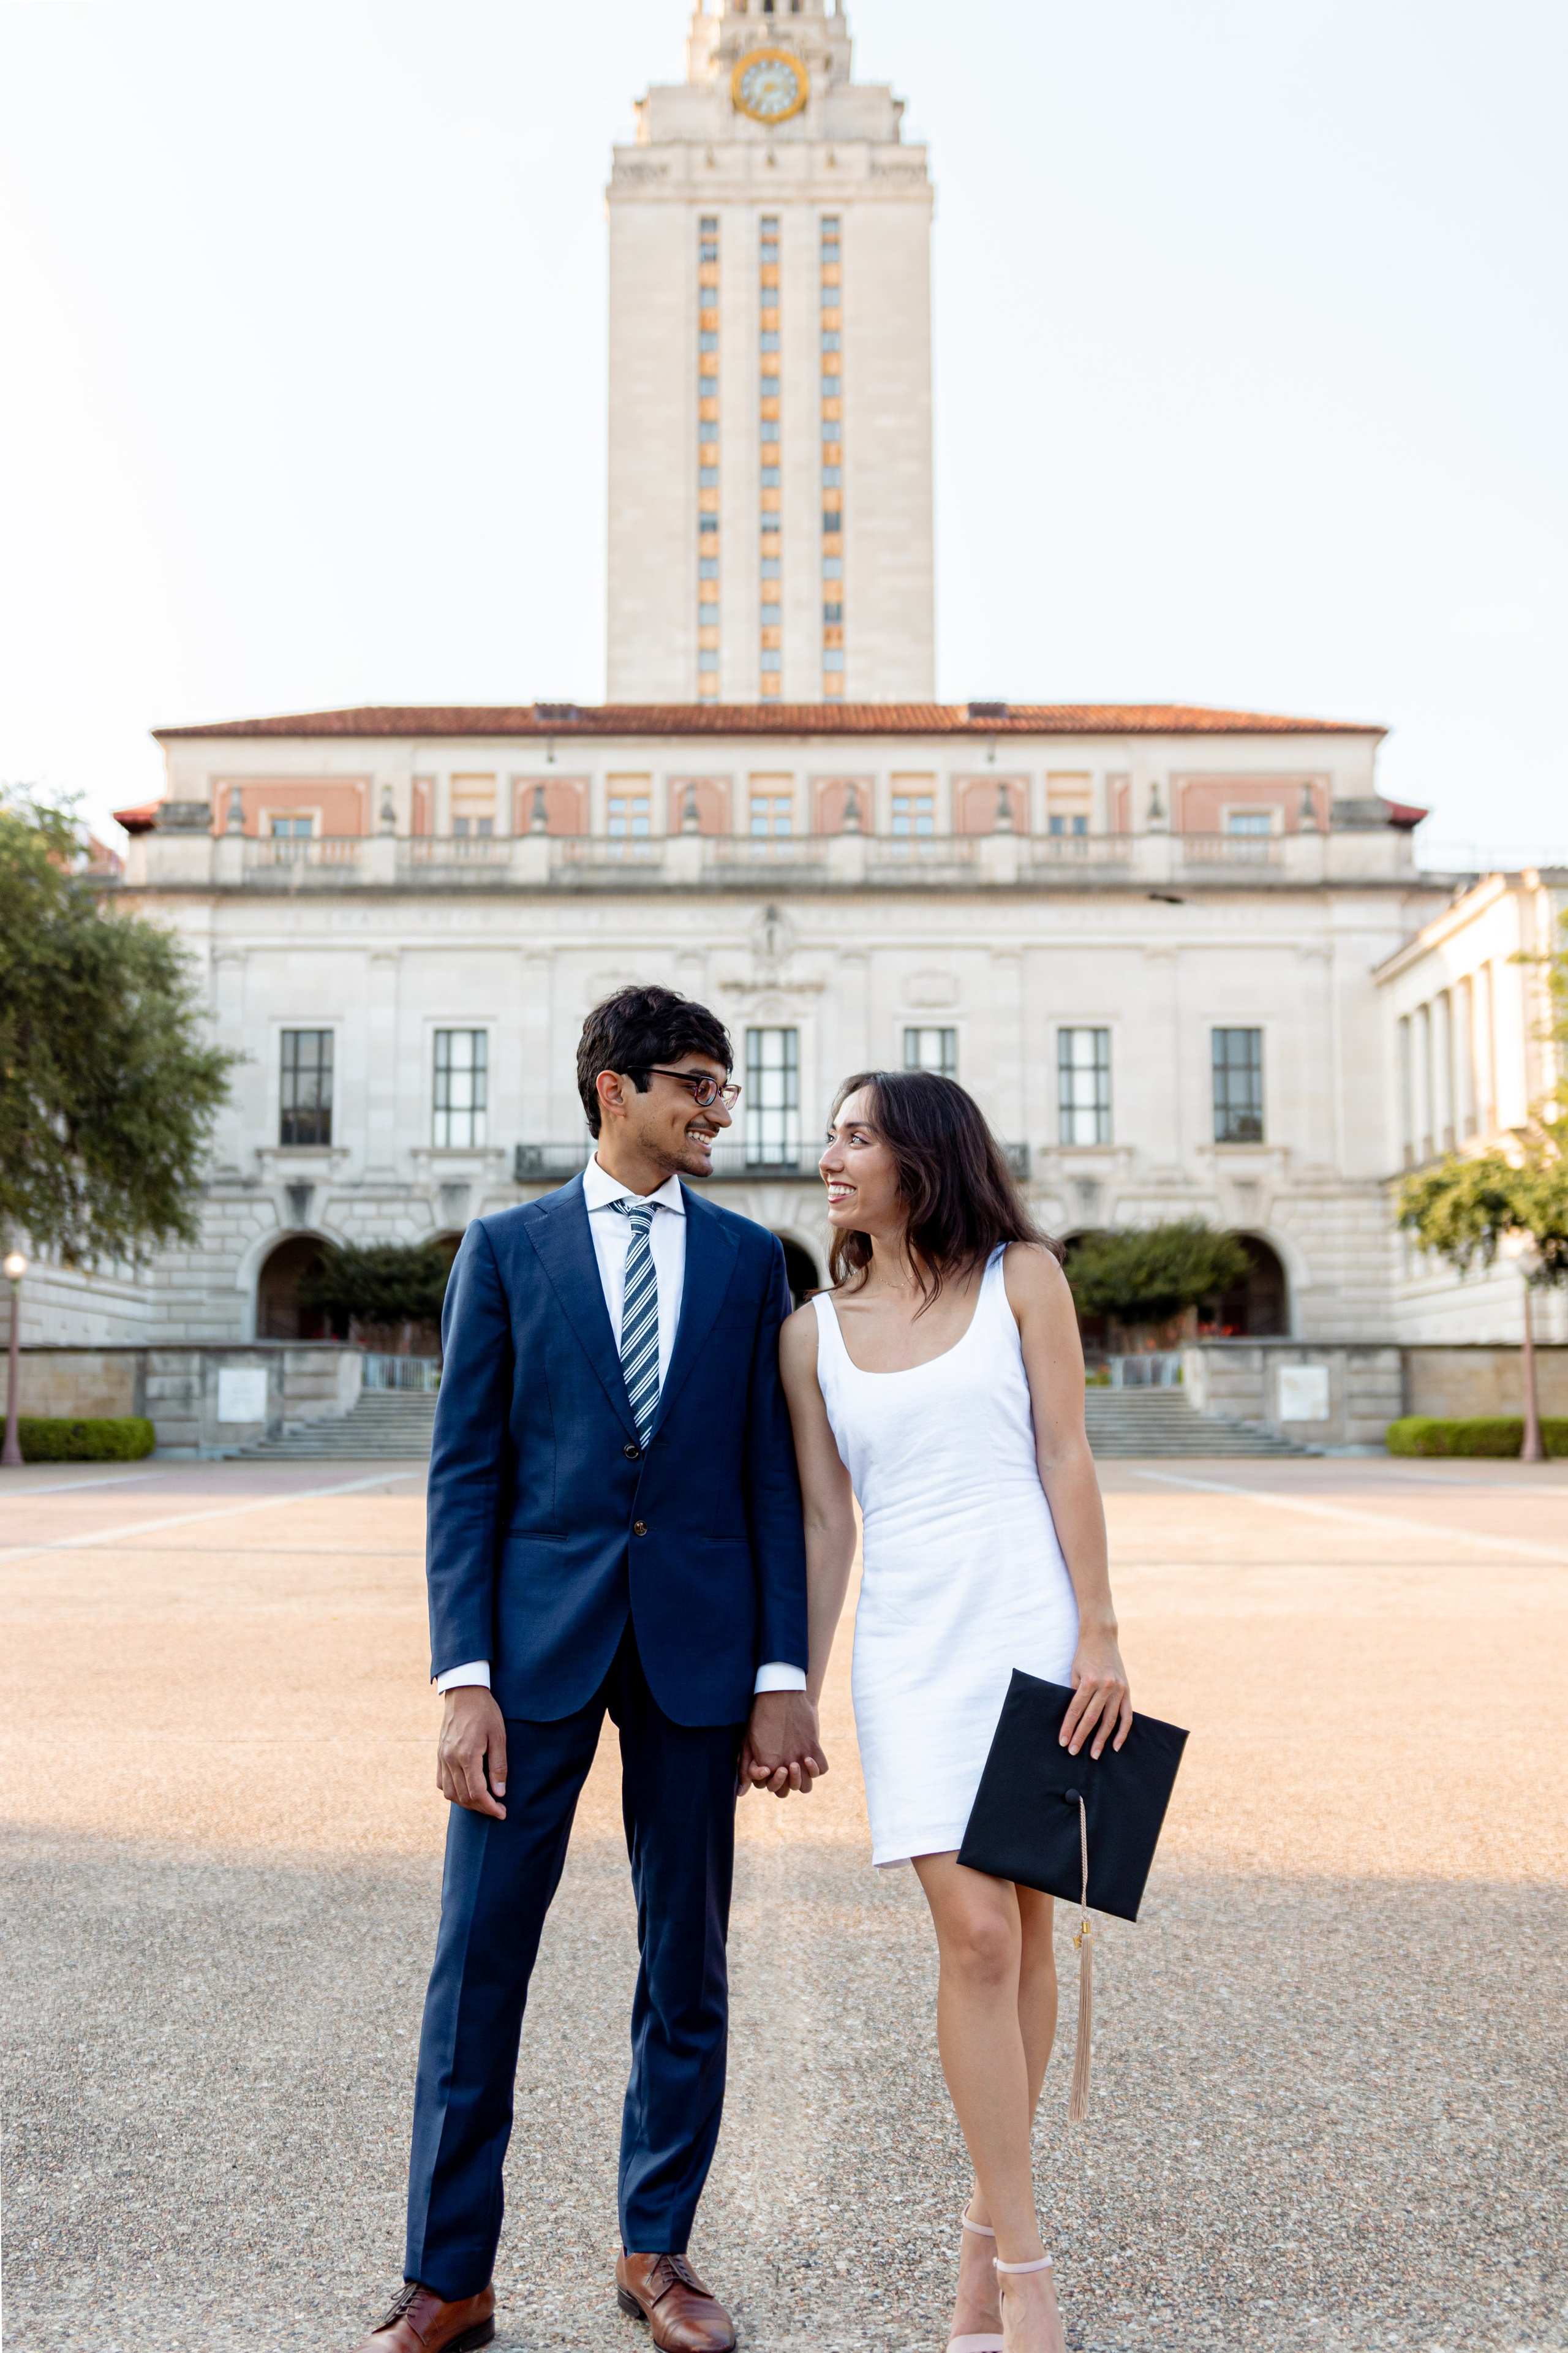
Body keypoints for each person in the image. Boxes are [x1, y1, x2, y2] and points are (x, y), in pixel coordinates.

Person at [353, 986, 823, 2353]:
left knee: (687, 1960)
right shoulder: (503, 1250)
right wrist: (463, 1678)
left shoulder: (749, 1263)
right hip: (533, 1655)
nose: (718, 1109)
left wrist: (780, 1666)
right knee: (476, 1958)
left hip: (697, 1653)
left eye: (726, 1089)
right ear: (613, 1088)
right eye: (695, 1083)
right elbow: (465, 1478)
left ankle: (657, 2251)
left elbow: (767, 1484)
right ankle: (449, 2274)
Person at [772, 1070, 1133, 2353]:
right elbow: (827, 1522)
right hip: (909, 1653)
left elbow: (1063, 1454)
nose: (832, 1155)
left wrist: (1098, 1633)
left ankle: (984, 2250)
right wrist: (791, 1690)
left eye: (856, 1136)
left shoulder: (1020, 1276)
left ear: (921, 1155)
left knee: (1024, 1935)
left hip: (1030, 1628)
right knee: (974, 1933)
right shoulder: (809, 1329)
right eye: (831, 1136)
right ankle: (1024, 2269)